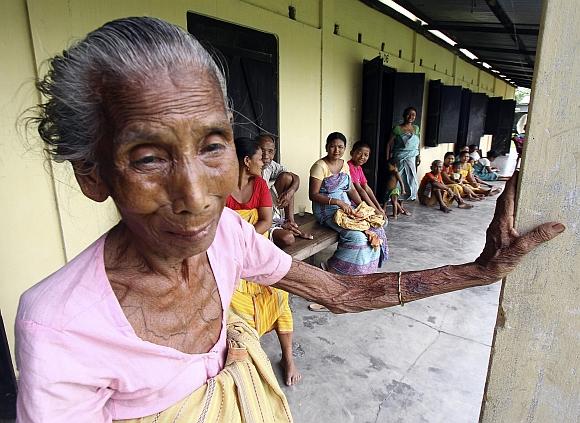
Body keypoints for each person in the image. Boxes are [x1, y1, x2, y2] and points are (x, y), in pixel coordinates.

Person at [15, 17, 564, 422]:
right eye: (149, 158)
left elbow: (341, 294)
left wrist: (477, 272)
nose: (197, 196)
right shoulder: (60, 326)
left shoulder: (227, 237)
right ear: (93, 175)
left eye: (212, 146)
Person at [225, 137, 301, 386]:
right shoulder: (221, 187)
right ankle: (250, 358)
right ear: (247, 161)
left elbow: (266, 221)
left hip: (256, 250)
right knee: (235, 306)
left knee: (280, 295)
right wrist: (234, 250)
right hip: (229, 257)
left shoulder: (260, 184)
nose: (264, 162)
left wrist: (245, 244)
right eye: (260, 158)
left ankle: (288, 357)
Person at [309, 132, 388, 275]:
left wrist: (365, 208)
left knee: (376, 228)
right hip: (326, 211)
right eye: (332, 146)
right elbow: (313, 195)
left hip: (346, 208)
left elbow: (350, 189)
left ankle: (363, 270)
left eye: (340, 147)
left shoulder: (344, 164)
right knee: (357, 237)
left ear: (345, 148)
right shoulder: (319, 166)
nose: (336, 150)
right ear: (326, 147)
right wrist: (338, 202)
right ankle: (331, 268)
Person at [256, 133, 311, 246]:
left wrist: (290, 192)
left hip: (266, 204)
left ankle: (290, 222)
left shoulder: (270, 165)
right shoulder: (248, 168)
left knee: (287, 178)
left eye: (270, 151)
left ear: (274, 152)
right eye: (261, 150)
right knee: (287, 238)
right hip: (256, 211)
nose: (266, 155)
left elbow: (294, 177)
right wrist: (278, 222)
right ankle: (280, 224)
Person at [385, 106, 421, 201]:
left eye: (413, 115)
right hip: (399, 157)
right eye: (409, 114)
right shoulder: (397, 128)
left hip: (411, 158)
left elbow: (417, 143)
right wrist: (388, 159)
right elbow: (389, 144)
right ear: (404, 115)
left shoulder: (416, 128)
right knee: (397, 180)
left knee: (409, 178)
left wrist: (419, 156)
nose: (411, 116)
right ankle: (395, 202)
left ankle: (402, 203)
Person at [347, 141, 384, 216]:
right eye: (359, 153)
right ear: (352, 153)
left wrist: (379, 207)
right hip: (350, 202)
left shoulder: (359, 168)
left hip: (358, 201)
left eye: (366, 155)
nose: (362, 157)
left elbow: (367, 188)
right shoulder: (349, 166)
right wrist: (376, 211)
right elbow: (360, 190)